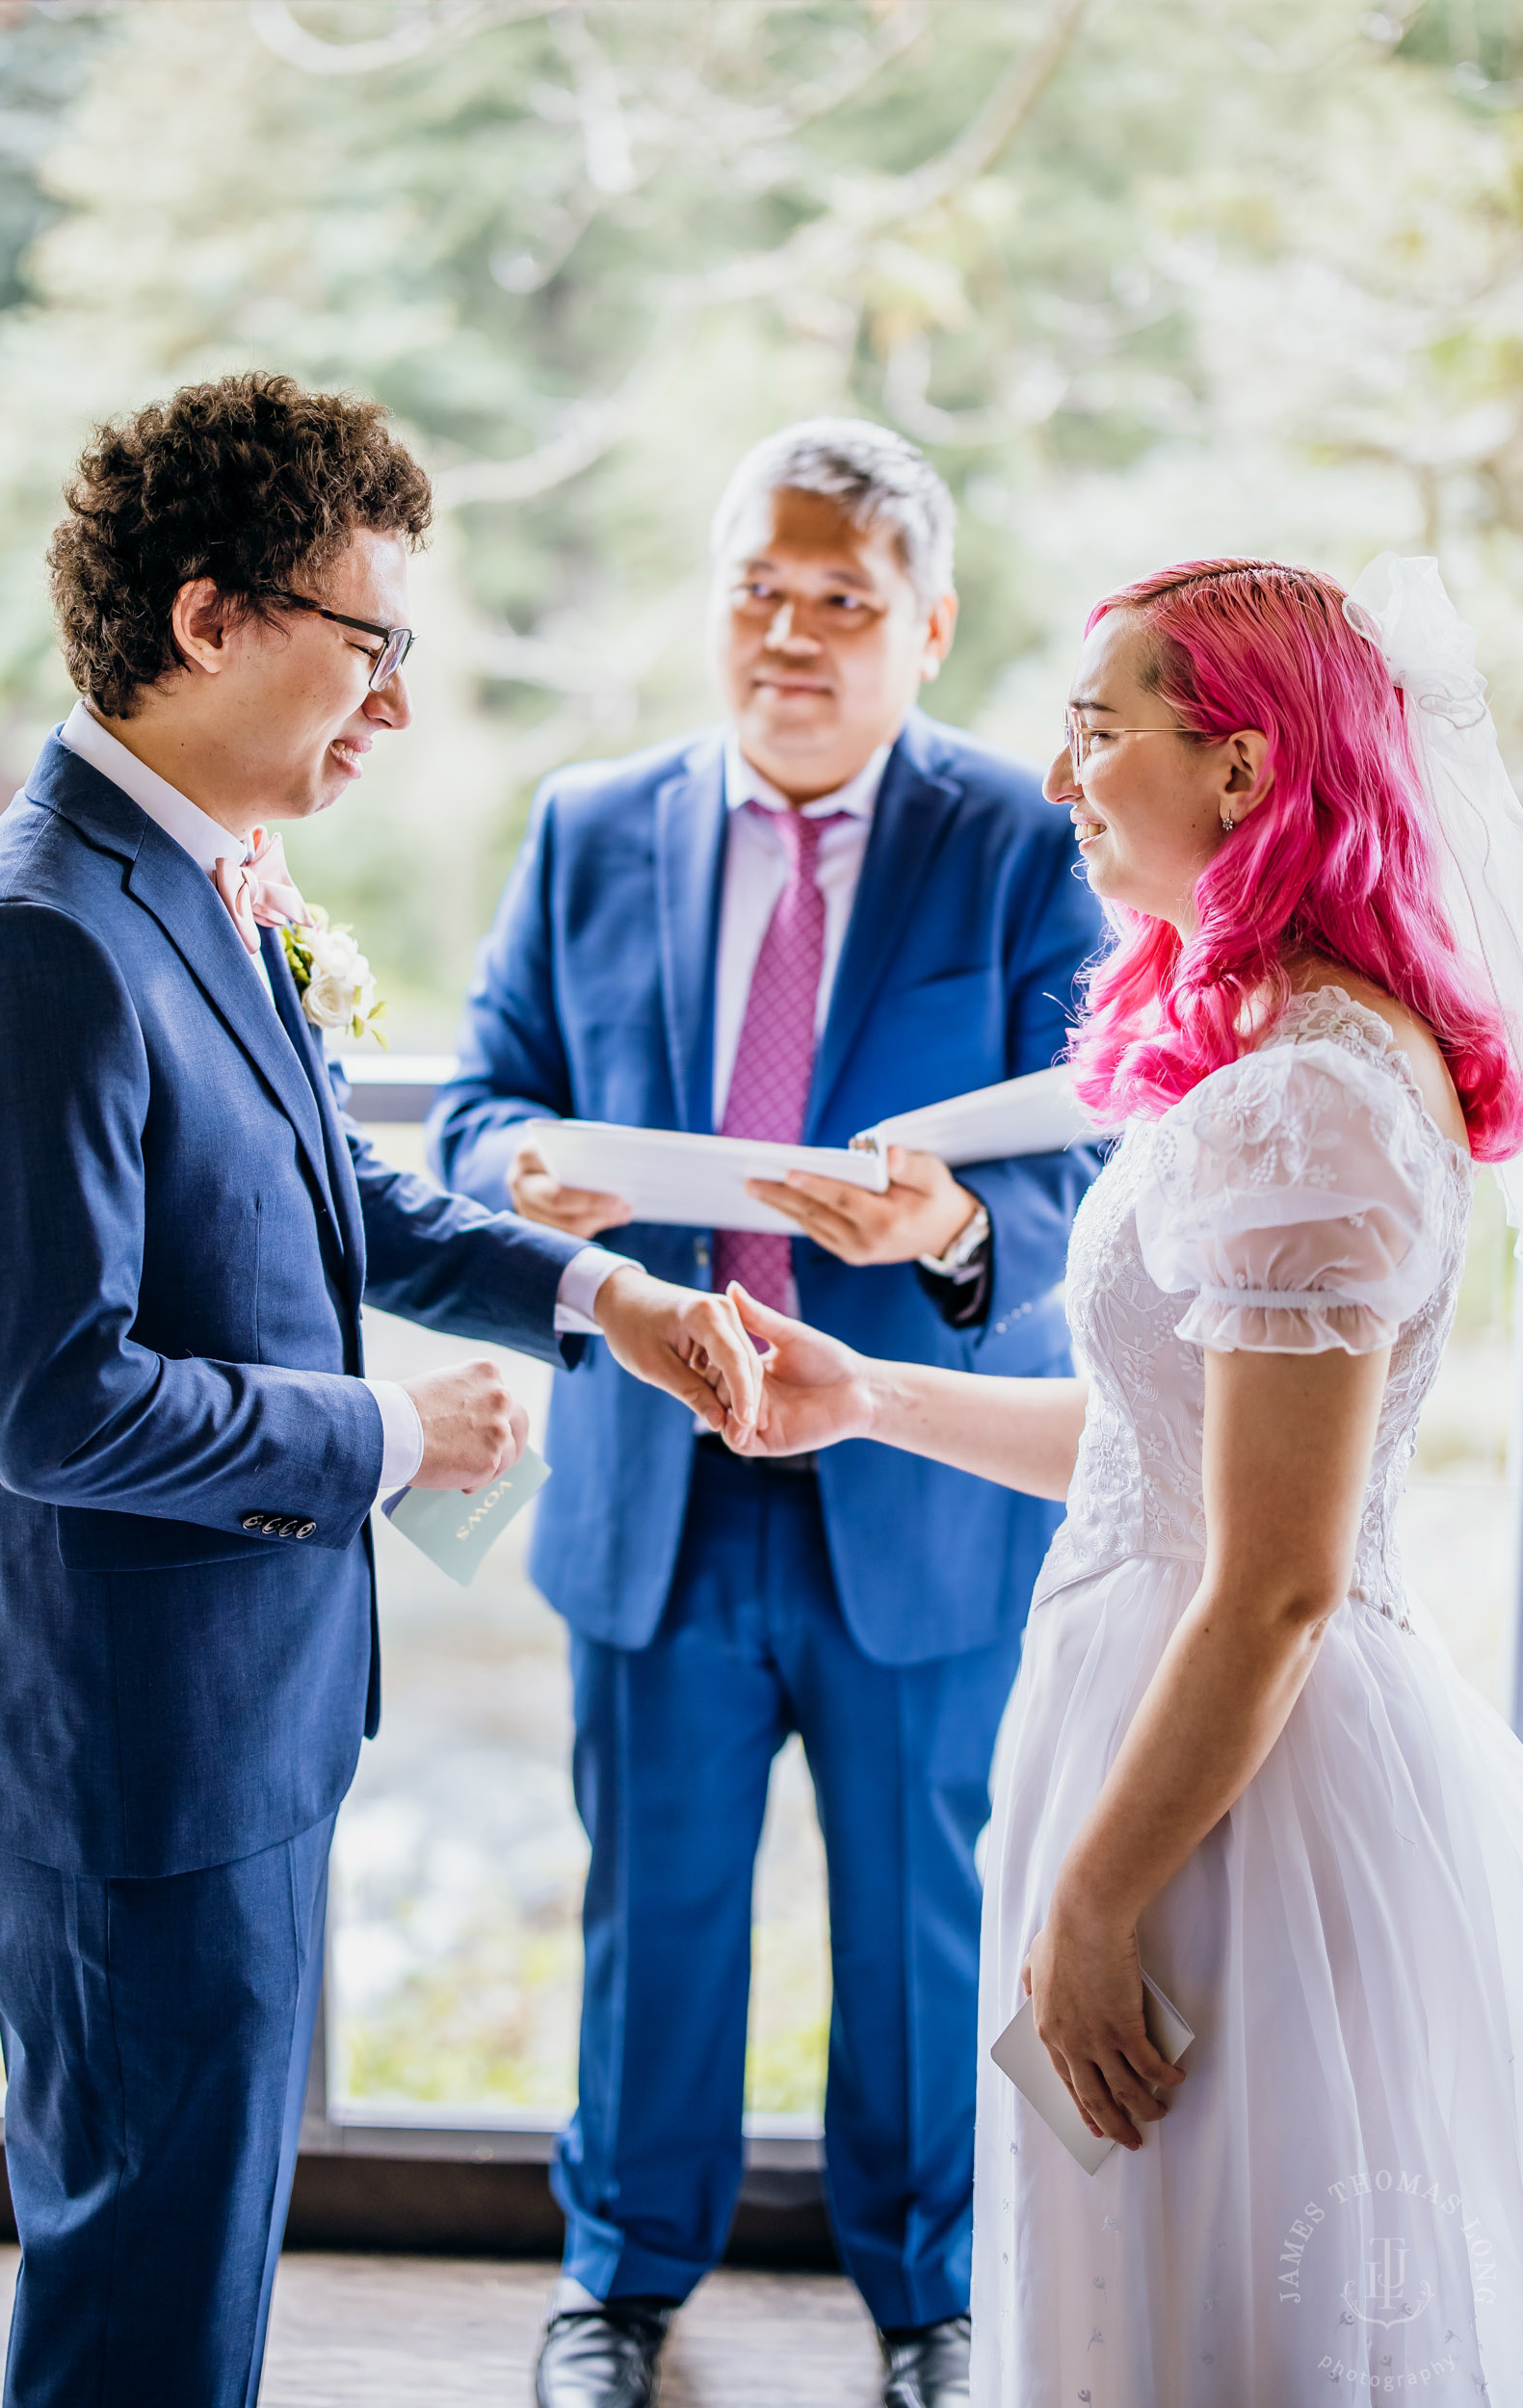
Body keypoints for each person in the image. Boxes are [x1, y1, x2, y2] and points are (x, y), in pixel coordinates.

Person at [0, 371, 761, 2408]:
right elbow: (61, 1402)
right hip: (127, 1763)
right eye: (369, 641)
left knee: (193, 2272)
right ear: (209, 617)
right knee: (138, 2306)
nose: (396, 699)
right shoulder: (36, 943)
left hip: (238, 1718)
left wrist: (597, 1291)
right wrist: (396, 1434)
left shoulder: (205, 875)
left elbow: (330, 1191)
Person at [718, 554, 1523, 2404]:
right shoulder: (1269, 1058)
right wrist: (869, 1399)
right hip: (1161, 1737)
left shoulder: (1308, 1101)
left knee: (1215, 2302)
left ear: (1241, 771)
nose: (1061, 776)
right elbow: (1177, 1451)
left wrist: (1094, 1901)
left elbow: (1277, 1584)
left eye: (1098, 731)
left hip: (1232, 1801)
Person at [433, 418, 1103, 2408]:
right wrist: (529, 1162)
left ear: (929, 624)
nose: (791, 636)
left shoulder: (1024, 839)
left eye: (842, 601)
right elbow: (479, 1107)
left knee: (921, 1911)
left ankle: (935, 2295)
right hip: (661, 1474)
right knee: (658, 1906)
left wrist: (961, 1214)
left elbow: (1090, 1155)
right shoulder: (589, 823)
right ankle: (619, 2281)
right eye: (759, 590)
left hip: (910, 1466)